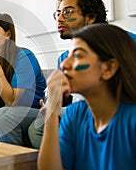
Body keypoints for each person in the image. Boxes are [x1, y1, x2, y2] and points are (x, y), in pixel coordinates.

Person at [28, 0, 136, 149]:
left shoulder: (124, 42)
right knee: (40, 123)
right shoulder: (64, 58)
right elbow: (68, 99)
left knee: (36, 129)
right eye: (58, 13)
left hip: (120, 109)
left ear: (90, 17)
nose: (60, 18)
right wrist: (54, 102)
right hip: (79, 109)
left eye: (68, 12)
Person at [38, 23, 136, 170]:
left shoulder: (132, 120)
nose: (64, 64)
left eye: (77, 55)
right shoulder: (74, 115)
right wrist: (51, 111)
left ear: (108, 68)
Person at [0, 13, 46, 142]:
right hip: (9, 108)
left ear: (8, 34)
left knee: (4, 115)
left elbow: (11, 101)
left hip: (37, 110)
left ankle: (13, 161)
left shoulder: (24, 56)